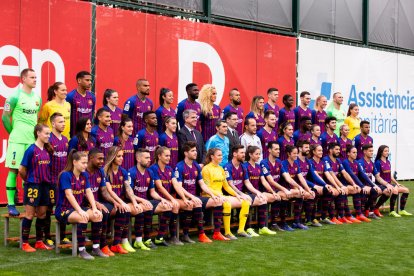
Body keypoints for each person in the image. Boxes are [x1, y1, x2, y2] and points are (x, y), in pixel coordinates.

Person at [2, 68, 41, 216]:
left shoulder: (38, 98)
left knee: (29, 173)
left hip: (31, 141)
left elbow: (35, 119)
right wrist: (14, 133)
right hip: (17, 141)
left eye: (36, 77)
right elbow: (5, 117)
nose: (35, 79)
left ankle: (28, 204)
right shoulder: (13, 97)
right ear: (23, 79)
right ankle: (11, 204)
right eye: (32, 77)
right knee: (14, 171)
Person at [55, 150, 105, 259]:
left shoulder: (84, 175)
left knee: (98, 215)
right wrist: (80, 211)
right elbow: (69, 195)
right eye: (83, 163)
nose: (85, 165)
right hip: (64, 209)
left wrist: (95, 208)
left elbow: (88, 191)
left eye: (86, 163)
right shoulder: (65, 175)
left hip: (78, 208)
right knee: (83, 218)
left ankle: (96, 248)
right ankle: (81, 251)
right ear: (74, 162)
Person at [175, 142, 229, 242]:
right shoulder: (180, 166)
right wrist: (192, 197)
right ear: (186, 153)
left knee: (218, 201)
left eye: (196, 150)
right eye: (192, 151)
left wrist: (212, 195)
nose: (196, 152)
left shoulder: (196, 165)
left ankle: (217, 233)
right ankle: (199, 234)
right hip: (184, 197)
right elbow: (179, 187)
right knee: (197, 203)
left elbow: (202, 184)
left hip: (195, 196)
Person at [224, 145, 276, 237]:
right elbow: (230, 185)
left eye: (244, 152)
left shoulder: (243, 167)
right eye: (241, 153)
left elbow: (247, 183)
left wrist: (257, 192)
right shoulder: (228, 167)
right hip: (231, 195)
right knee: (247, 200)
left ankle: (262, 227)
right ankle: (247, 228)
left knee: (262, 199)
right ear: (234, 154)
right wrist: (241, 194)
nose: (244, 155)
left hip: (241, 194)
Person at [129, 148, 173, 249]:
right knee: (146, 207)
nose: (149, 160)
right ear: (138, 159)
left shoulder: (150, 172)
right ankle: (145, 239)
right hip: (134, 202)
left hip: (146, 201)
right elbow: (129, 194)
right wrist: (142, 201)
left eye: (149, 157)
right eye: (146, 158)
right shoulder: (131, 172)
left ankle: (159, 237)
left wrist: (162, 199)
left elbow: (152, 192)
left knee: (167, 206)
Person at [202, 148, 250, 240]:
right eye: (219, 155)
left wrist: (237, 195)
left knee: (245, 202)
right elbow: (207, 188)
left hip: (221, 196)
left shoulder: (221, 169)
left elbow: (226, 186)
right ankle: (227, 232)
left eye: (221, 155)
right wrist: (219, 195)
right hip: (209, 196)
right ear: (212, 156)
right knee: (227, 203)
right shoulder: (206, 169)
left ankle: (241, 230)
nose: (221, 157)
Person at [19, 124, 52, 252]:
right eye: (46, 133)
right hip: (33, 186)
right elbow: (21, 169)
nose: (48, 136)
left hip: (45, 186)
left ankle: (39, 241)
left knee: (42, 214)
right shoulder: (31, 150)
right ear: (38, 133)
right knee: (29, 214)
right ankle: (25, 243)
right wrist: (29, 181)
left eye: (49, 134)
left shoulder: (47, 150)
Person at [104, 146, 138, 254]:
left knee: (126, 209)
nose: (121, 158)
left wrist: (134, 202)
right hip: (108, 202)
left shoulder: (123, 171)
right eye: (118, 156)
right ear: (112, 157)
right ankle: (113, 244)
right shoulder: (105, 171)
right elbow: (109, 191)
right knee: (124, 209)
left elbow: (128, 188)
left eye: (122, 156)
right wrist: (121, 203)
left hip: (118, 202)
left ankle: (120, 242)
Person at [85, 148, 118, 257]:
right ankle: (101, 245)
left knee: (122, 210)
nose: (102, 162)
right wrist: (95, 204)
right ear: (91, 158)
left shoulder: (100, 171)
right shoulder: (83, 171)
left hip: (97, 203)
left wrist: (115, 202)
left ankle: (118, 243)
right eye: (99, 159)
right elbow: (82, 193)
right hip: (83, 204)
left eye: (103, 159)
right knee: (103, 212)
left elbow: (104, 191)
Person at [323, 143, 367, 223]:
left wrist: (354, 184)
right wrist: (339, 186)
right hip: (328, 185)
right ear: (330, 150)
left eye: (339, 149)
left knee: (355, 189)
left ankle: (356, 214)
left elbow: (345, 173)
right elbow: (331, 175)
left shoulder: (339, 160)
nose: (338, 151)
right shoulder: (326, 160)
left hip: (336, 185)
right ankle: (337, 216)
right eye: (336, 149)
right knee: (340, 191)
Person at [149, 147, 184, 245]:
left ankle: (173, 236)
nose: (169, 158)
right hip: (155, 198)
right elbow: (159, 188)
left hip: (166, 198)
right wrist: (172, 199)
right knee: (171, 205)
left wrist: (184, 198)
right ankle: (160, 236)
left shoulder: (169, 169)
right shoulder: (153, 168)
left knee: (176, 205)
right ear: (159, 156)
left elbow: (176, 185)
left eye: (169, 155)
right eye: (166, 155)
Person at [260, 142, 295, 231]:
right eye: (276, 149)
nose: (278, 151)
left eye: (279, 149)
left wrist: (299, 187)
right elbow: (270, 181)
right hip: (266, 190)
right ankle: (274, 223)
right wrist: (284, 189)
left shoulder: (279, 162)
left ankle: (283, 222)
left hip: (276, 189)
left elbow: (287, 177)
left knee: (288, 194)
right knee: (282, 195)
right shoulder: (264, 162)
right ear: (269, 150)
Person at [244, 145, 281, 229]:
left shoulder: (258, 166)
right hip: (247, 193)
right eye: (256, 154)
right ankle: (249, 227)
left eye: (259, 154)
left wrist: (273, 192)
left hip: (258, 192)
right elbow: (247, 183)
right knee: (262, 199)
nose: (258, 156)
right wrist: (257, 193)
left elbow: (264, 181)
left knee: (277, 198)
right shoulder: (245, 166)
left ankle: (270, 224)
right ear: (250, 154)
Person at [45, 113, 68, 247]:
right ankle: (47, 237)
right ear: (53, 124)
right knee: (49, 209)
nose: (63, 124)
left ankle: (63, 236)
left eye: (64, 121)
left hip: (63, 182)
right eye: (60, 122)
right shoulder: (49, 140)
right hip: (51, 181)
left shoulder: (65, 140)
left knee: (63, 207)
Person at [342, 145, 382, 220]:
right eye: (353, 152)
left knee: (374, 190)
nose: (355, 154)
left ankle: (367, 212)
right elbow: (352, 175)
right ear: (348, 153)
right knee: (361, 189)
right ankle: (357, 213)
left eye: (356, 152)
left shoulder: (356, 162)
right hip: (346, 184)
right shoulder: (345, 162)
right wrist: (362, 186)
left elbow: (363, 174)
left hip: (355, 184)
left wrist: (373, 185)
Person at [281, 145, 316, 230]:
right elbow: (288, 178)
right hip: (284, 188)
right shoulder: (283, 164)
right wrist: (299, 187)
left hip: (293, 189)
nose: (296, 155)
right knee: (297, 193)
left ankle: (298, 221)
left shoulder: (296, 163)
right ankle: (283, 223)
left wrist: (308, 189)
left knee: (309, 194)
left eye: (297, 153)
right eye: (294, 153)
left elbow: (301, 178)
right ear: (289, 154)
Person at [374, 145, 412, 217]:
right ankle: (391, 211)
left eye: (388, 151)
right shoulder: (378, 162)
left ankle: (402, 210)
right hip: (380, 185)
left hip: (389, 184)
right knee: (394, 191)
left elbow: (390, 176)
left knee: (406, 190)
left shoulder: (388, 162)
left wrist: (397, 183)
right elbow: (377, 177)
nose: (387, 152)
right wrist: (387, 185)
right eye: (385, 151)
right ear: (381, 152)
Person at [307, 144, 340, 225]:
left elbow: (328, 175)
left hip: (321, 185)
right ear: (313, 152)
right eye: (319, 150)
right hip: (311, 186)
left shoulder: (323, 162)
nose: (321, 152)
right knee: (316, 192)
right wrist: (325, 185)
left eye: (321, 150)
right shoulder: (310, 162)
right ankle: (311, 219)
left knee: (330, 192)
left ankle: (323, 217)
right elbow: (315, 176)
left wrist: (336, 186)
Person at [359, 144, 393, 218]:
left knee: (388, 191)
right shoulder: (360, 162)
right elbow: (364, 177)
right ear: (364, 152)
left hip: (370, 185)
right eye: (370, 151)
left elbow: (378, 177)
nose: (372, 152)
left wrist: (387, 184)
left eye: (372, 151)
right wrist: (374, 185)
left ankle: (372, 209)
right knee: (376, 190)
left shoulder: (371, 163)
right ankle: (368, 210)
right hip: (362, 185)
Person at [296, 140, 324, 227]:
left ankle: (314, 218)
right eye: (306, 147)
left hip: (305, 185)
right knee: (313, 192)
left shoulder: (307, 161)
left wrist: (325, 185)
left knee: (323, 190)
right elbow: (299, 179)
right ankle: (304, 220)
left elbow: (314, 175)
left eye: (308, 147)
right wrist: (313, 186)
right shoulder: (296, 160)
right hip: (297, 185)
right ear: (300, 149)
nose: (308, 149)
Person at [66, 71, 95, 136]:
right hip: (74, 135)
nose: (90, 82)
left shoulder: (92, 97)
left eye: (90, 80)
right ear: (79, 80)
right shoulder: (70, 96)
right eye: (87, 80)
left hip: (88, 135)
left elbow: (92, 114)